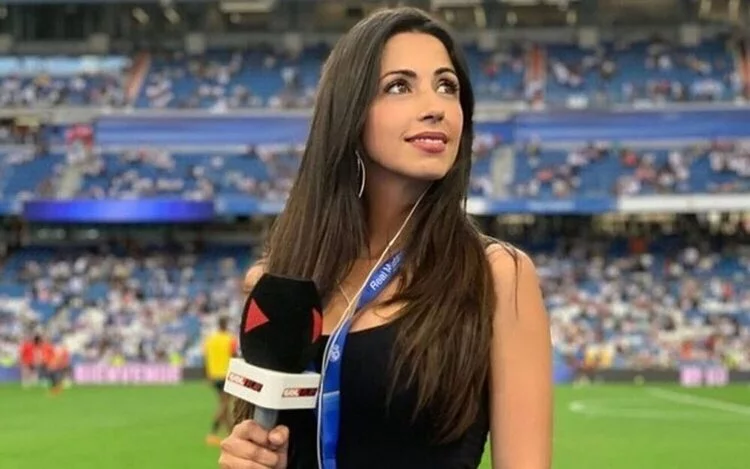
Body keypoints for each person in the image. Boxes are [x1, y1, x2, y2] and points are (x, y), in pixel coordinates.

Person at [219, 7, 552, 469]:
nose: (435, 106)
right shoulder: (279, 283)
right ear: (350, 113)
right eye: (399, 86)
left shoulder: (497, 277)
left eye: (447, 86)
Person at [204, 316, 238, 446]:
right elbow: (234, 356)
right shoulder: (230, 339)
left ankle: (231, 434)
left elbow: (206, 357)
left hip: (214, 375)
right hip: (226, 375)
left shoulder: (210, 339)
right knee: (224, 405)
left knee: (224, 404)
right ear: (226, 325)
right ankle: (212, 432)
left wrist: (207, 375)